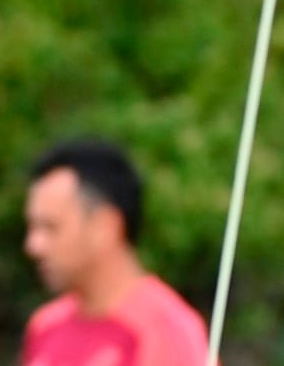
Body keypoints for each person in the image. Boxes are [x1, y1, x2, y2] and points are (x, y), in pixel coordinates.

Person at [22, 138, 210, 366]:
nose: (34, 245)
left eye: (51, 228)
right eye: (33, 227)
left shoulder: (167, 333)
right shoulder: (45, 326)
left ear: (106, 226)